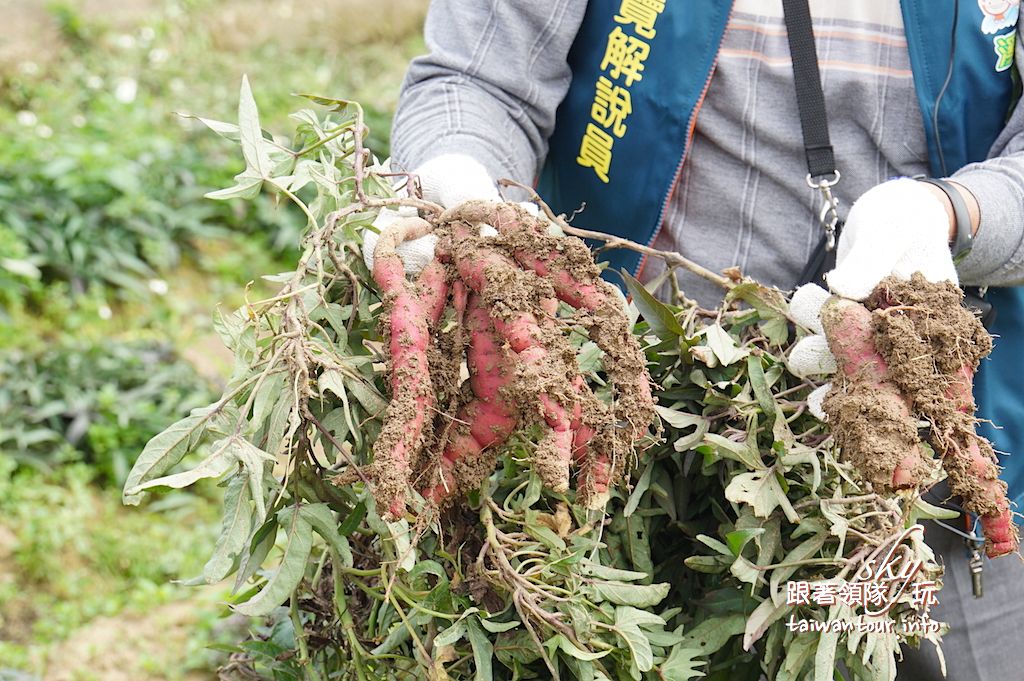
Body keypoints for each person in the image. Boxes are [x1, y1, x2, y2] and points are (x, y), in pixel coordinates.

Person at [386, 1, 1024, 678]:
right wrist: (460, 182)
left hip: (937, 461)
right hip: (621, 448)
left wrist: (948, 214)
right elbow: (477, 79)